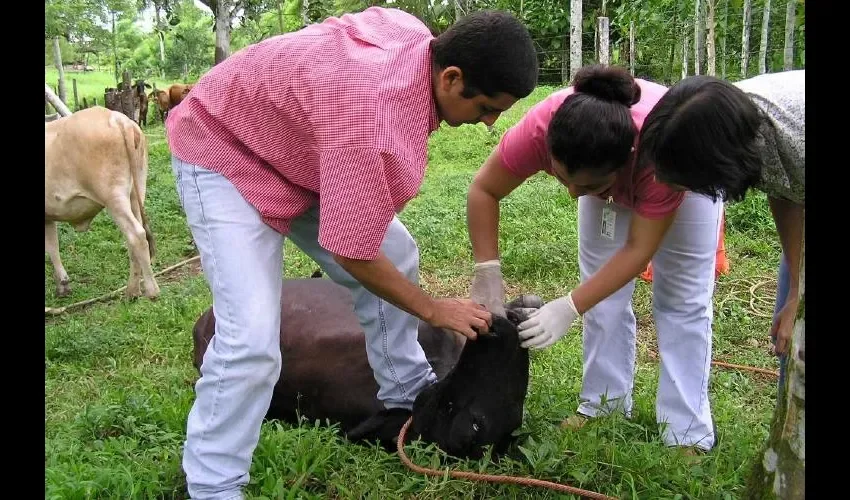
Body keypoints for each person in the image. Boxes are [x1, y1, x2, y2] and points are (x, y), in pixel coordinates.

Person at [164, 7, 539, 499]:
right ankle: (212, 485)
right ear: (451, 77)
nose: (489, 123)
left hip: (298, 151)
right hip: (224, 149)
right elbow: (353, 252)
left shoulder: (411, 35)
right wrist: (433, 308)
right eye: (488, 107)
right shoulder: (372, 118)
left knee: (397, 251)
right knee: (250, 343)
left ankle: (405, 392)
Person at [467, 65, 723, 453]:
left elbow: (639, 250)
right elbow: (484, 189)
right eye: (561, 177)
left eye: (585, 186)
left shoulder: (661, 158)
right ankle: (604, 405)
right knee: (601, 300)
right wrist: (487, 268)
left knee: (682, 301)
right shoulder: (543, 128)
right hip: (611, 171)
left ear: (624, 164)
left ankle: (687, 431)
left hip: (685, 169)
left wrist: (569, 305)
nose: (571, 194)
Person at [637, 69, 804, 397]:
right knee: (792, 338)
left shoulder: (796, 140)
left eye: (674, 174)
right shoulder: (724, 122)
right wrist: (796, 287)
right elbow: (786, 193)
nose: (660, 182)